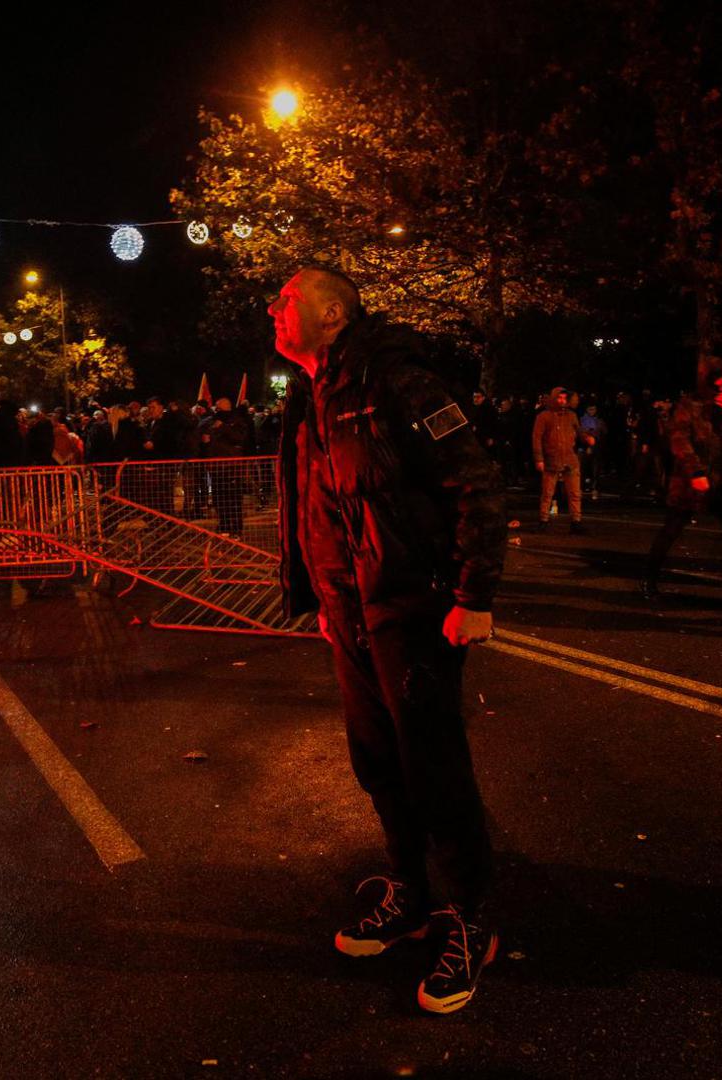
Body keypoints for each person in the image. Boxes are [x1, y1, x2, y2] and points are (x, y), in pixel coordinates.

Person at [271, 266, 507, 1015]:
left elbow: (476, 483)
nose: (274, 309)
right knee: (378, 760)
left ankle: (468, 917)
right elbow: (309, 501)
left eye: (288, 300)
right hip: (349, 612)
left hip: (413, 609)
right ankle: (408, 893)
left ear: (333, 313)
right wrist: (314, 593)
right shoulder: (310, 395)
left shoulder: (399, 382)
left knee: (433, 765)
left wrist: (473, 595)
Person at [642, 361, 722, 602]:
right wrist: (695, 472)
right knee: (671, 530)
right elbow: (679, 440)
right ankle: (649, 578)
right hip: (693, 480)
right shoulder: (689, 405)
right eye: (718, 382)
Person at [531, 387, 588, 532]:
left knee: (574, 492)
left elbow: (579, 431)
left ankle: (576, 521)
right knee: (547, 492)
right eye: (559, 398)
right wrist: (539, 458)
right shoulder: (544, 416)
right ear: (553, 398)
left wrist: (587, 438)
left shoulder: (571, 416)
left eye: (564, 398)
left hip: (569, 459)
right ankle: (543, 520)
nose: (562, 401)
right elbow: (537, 438)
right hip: (551, 459)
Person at [200, 396, 252, 536]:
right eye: (216, 408)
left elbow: (240, 438)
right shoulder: (211, 422)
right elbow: (205, 437)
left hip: (231, 467)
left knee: (233, 499)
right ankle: (224, 525)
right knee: (219, 499)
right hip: (216, 467)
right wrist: (205, 441)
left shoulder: (237, 421)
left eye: (220, 408)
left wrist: (223, 427)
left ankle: (235, 529)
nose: (217, 410)